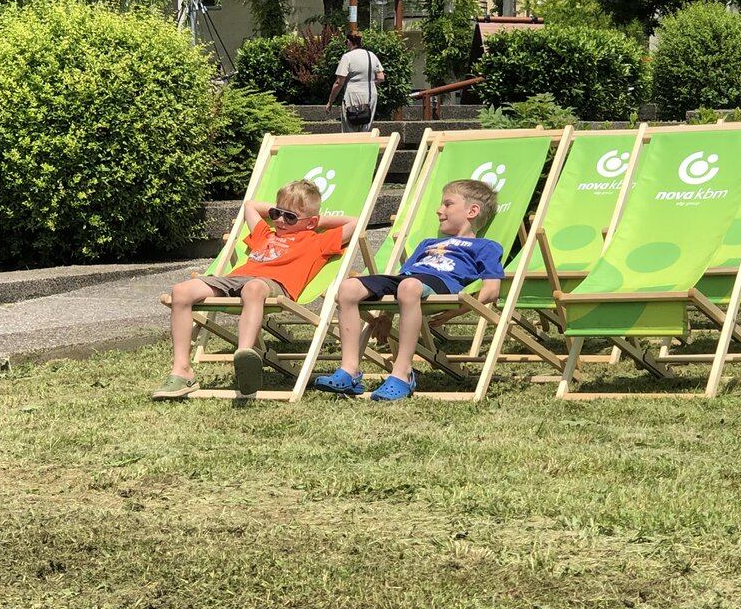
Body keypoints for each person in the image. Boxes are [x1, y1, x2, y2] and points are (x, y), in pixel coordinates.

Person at [151, 179, 358, 400]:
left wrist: (318, 222)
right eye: (276, 213)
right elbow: (249, 205)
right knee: (181, 291)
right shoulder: (265, 234)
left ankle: (245, 355)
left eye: (290, 217)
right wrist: (286, 210)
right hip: (237, 279)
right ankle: (182, 371)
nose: (279, 220)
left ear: (310, 221)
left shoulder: (318, 241)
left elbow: (356, 222)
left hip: (273, 285)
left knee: (253, 288)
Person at [314, 179, 504, 401]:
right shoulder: (427, 243)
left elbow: (492, 290)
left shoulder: (486, 246)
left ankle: (402, 373)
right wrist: (385, 315)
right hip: (409, 281)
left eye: (447, 204)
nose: (439, 210)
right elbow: (403, 278)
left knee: (409, 285)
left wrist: (454, 311)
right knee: (347, 288)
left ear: (472, 211)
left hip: (441, 283)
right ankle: (349, 370)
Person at [325, 32, 385, 133]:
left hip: (352, 94)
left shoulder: (347, 57)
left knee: (350, 128)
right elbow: (381, 77)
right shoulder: (371, 55)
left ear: (349, 42)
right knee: (366, 126)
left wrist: (330, 102)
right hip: (370, 94)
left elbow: (339, 82)